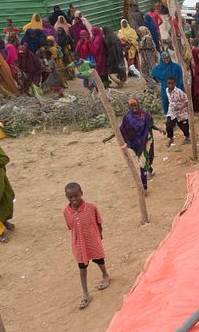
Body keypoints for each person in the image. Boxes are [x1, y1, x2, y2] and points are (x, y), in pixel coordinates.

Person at [63, 182, 110, 310]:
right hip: (78, 244)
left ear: (81, 193)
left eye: (76, 196)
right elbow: (70, 227)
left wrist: (99, 236)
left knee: (99, 259)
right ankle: (85, 294)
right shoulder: (66, 212)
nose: (74, 199)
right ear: (66, 197)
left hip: (92, 240)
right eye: (70, 197)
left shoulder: (91, 208)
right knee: (82, 267)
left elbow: (99, 223)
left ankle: (105, 275)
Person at [103, 99, 161, 192]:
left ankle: (149, 169)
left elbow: (150, 125)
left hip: (147, 141)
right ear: (129, 107)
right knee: (142, 163)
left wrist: (160, 129)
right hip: (136, 144)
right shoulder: (127, 117)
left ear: (138, 105)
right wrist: (109, 137)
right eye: (132, 106)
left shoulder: (145, 116)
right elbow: (120, 130)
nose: (134, 107)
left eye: (135, 105)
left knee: (148, 158)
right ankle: (144, 188)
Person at [164, 77, 190, 147]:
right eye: (169, 83)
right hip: (172, 112)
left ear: (175, 83)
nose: (170, 85)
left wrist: (181, 107)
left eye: (172, 83)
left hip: (180, 112)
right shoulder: (167, 90)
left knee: (183, 126)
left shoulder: (179, 92)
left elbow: (186, 100)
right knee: (168, 125)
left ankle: (187, 137)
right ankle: (171, 138)